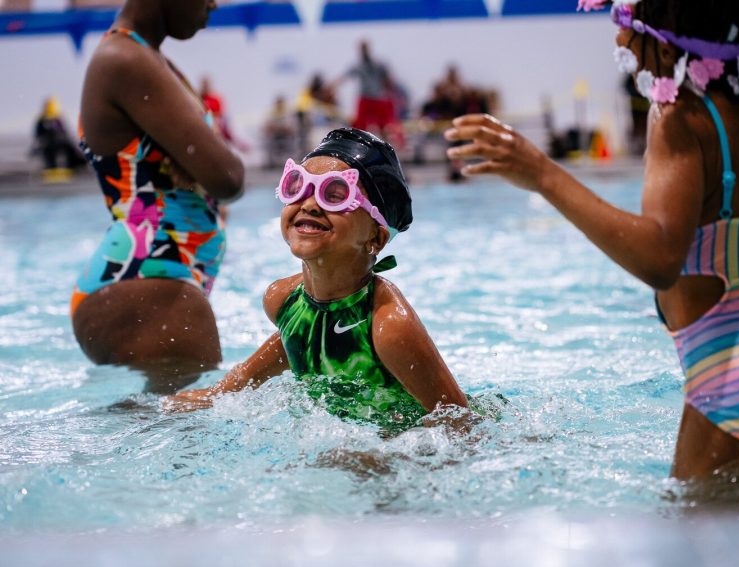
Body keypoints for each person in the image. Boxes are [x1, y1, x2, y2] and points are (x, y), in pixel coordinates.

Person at [445, 0, 739, 479]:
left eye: (624, 21)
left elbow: (660, 257)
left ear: (662, 35)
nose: (619, 41)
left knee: (696, 546)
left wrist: (542, 174)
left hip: (737, 388)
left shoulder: (680, 118)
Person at [164, 128, 468, 426]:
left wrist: (387, 457)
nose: (309, 203)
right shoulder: (283, 300)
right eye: (298, 186)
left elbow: (461, 422)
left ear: (375, 238)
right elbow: (297, 340)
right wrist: (220, 393)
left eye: (334, 194)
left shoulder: (388, 326)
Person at [72, 0, 245, 393]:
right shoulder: (125, 59)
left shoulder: (146, 57)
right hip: (145, 280)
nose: (214, 4)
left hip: (152, 278)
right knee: (185, 439)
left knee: (161, 430)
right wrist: (212, 167)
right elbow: (229, 177)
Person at [31, 95, 86, 178]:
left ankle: (75, 164)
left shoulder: (57, 119)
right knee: (50, 153)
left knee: (70, 148)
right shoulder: (42, 120)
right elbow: (38, 135)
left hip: (59, 142)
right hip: (48, 144)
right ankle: (51, 167)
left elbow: (65, 132)